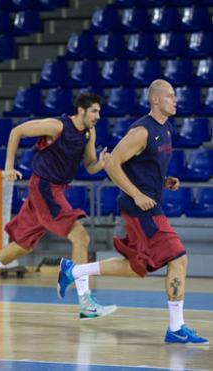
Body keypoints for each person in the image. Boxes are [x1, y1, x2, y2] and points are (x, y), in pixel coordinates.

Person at [57, 80, 208, 344]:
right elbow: (113, 163)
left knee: (138, 267)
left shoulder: (167, 128)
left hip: (150, 205)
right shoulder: (141, 130)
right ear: (156, 100)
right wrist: (137, 194)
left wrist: (164, 182)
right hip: (139, 209)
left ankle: (75, 271)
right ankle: (176, 328)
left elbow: (143, 167)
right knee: (178, 258)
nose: (176, 100)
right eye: (171, 96)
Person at [0, 92, 117, 320]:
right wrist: (8, 166)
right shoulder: (57, 126)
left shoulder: (89, 132)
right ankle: (85, 301)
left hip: (54, 190)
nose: (98, 116)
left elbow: (89, 165)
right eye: (94, 111)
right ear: (81, 110)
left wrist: (101, 164)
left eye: (99, 111)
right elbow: (17, 131)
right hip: (45, 188)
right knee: (81, 238)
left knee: (22, 246)